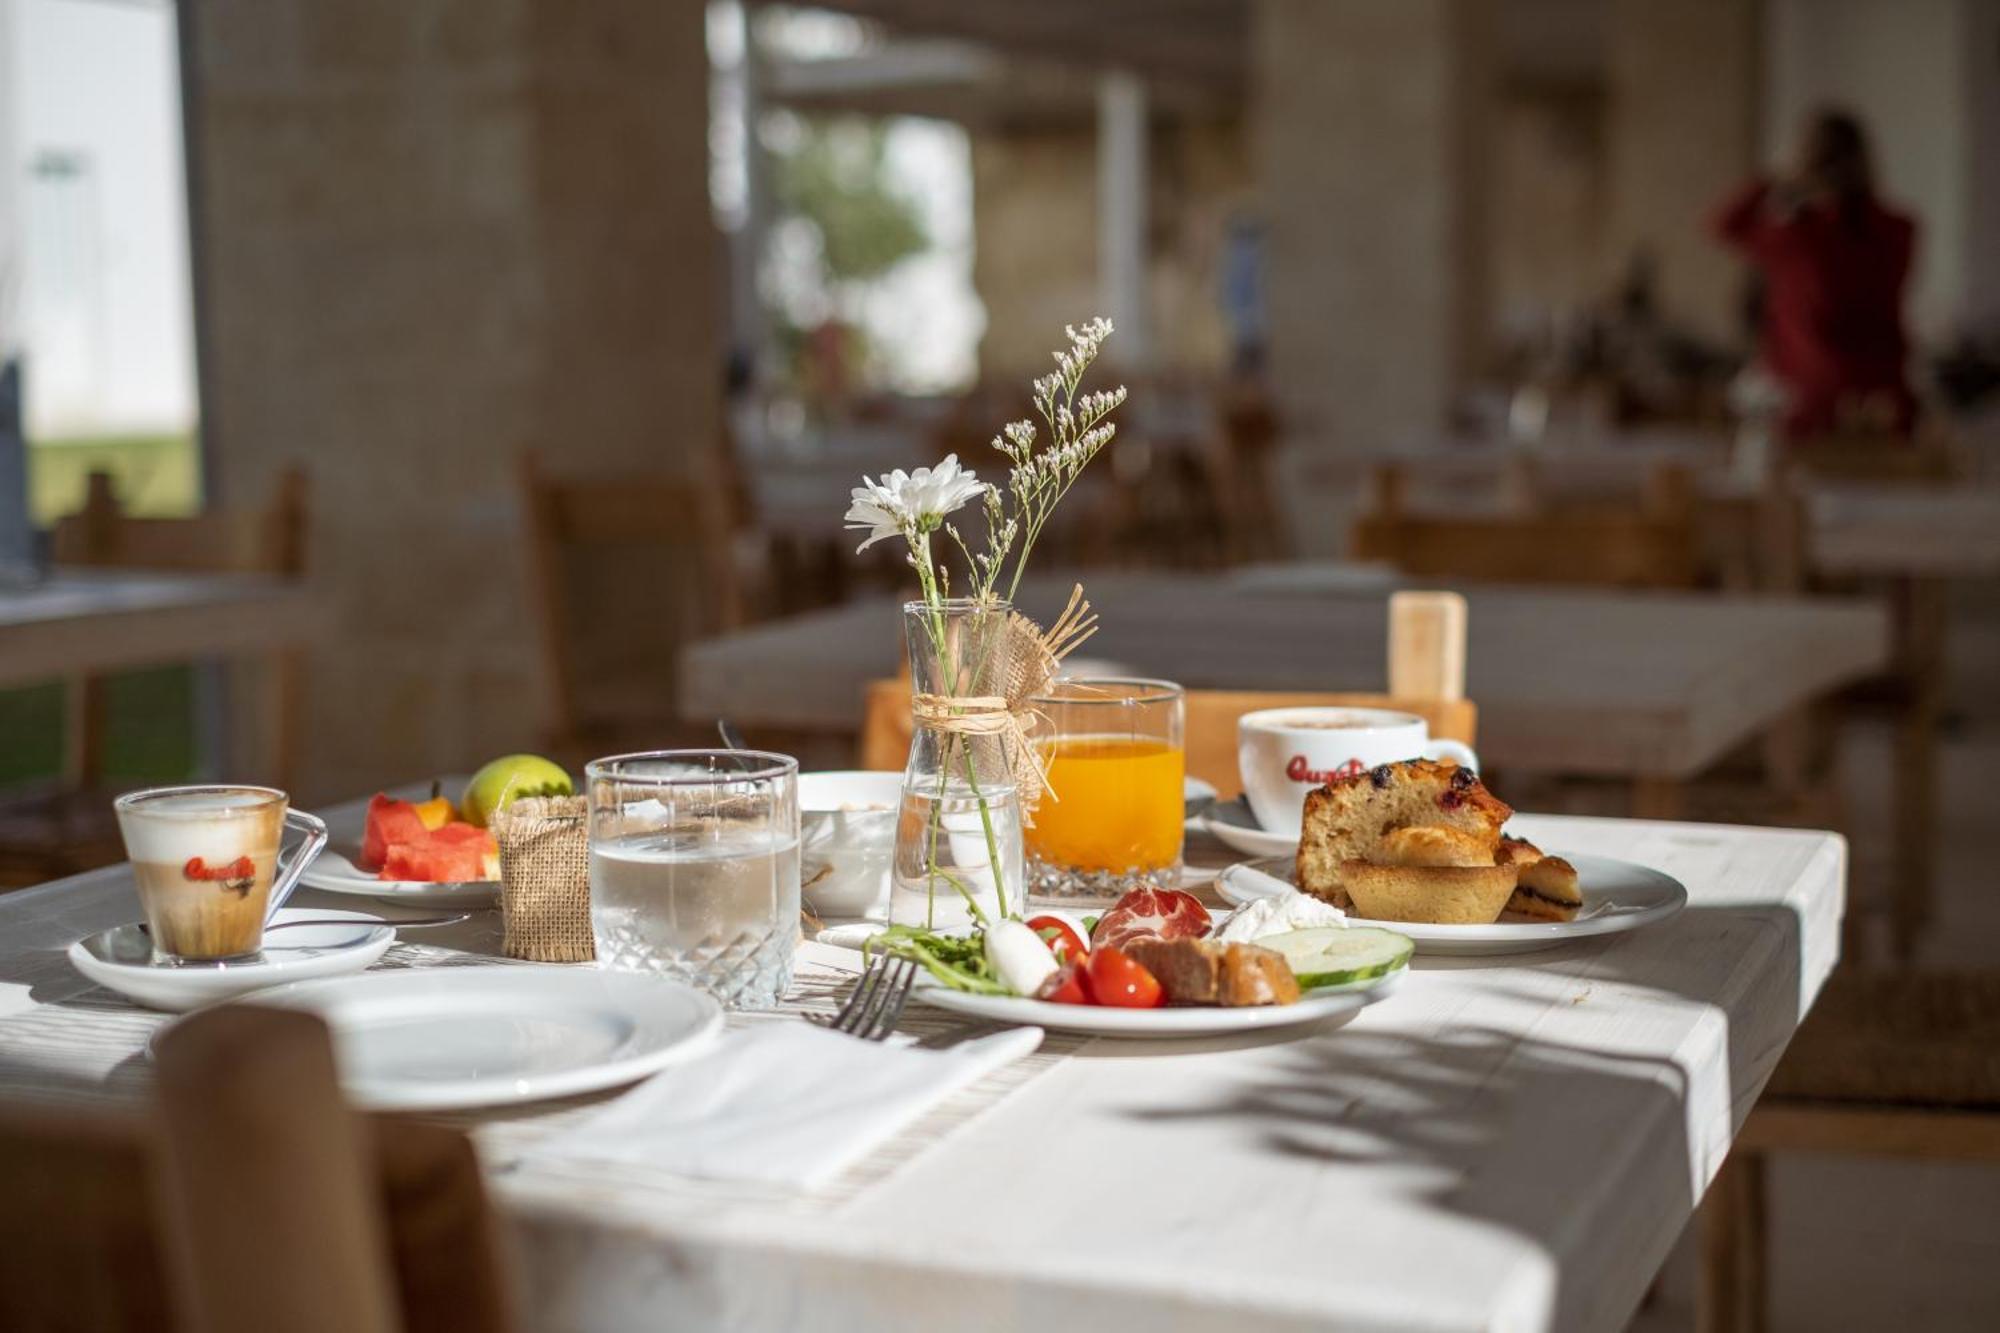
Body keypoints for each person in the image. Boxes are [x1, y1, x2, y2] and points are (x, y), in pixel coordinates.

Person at [1709, 108, 1919, 438]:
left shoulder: (1799, 238)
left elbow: (1723, 224)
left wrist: (1779, 178)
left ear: (1809, 164)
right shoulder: (1899, 230)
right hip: (1885, 400)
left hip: (1809, 402)